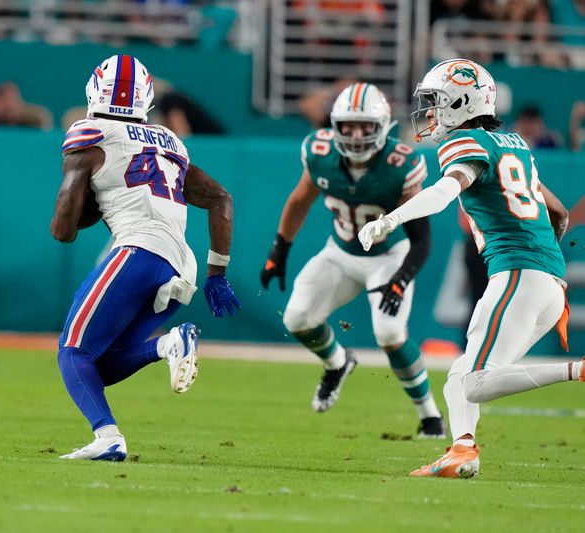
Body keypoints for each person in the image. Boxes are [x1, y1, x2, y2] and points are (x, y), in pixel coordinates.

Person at [358, 59, 585, 478]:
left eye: (437, 102)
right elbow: (559, 213)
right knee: (460, 375)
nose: (430, 112)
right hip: (548, 283)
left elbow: (444, 193)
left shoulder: (465, 144)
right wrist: (541, 258)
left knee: (474, 381)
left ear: (463, 102)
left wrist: (390, 220)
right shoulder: (512, 144)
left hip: (518, 275)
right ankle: (463, 450)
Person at [51, 54, 241, 462]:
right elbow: (220, 198)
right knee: (97, 367)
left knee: (73, 352)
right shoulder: (169, 140)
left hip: (139, 250)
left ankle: (108, 438)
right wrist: (218, 273)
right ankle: (168, 345)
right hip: (180, 265)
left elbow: (63, 231)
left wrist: (88, 195)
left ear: (93, 89)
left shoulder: (88, 134)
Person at [260, 82, 446, 438]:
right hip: (341, 253)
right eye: (349, 125)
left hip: (388, 257)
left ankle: (431, 417)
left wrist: (400, 278)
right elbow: (299, 201)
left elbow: (421, 240)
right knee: (298, 317)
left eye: (365, 126)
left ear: (382, 126)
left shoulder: (401, 164)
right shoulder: (319, 152)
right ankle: (337, 363)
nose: (357, 134)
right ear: (335, 125)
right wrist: (279, 250)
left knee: (389, 332)